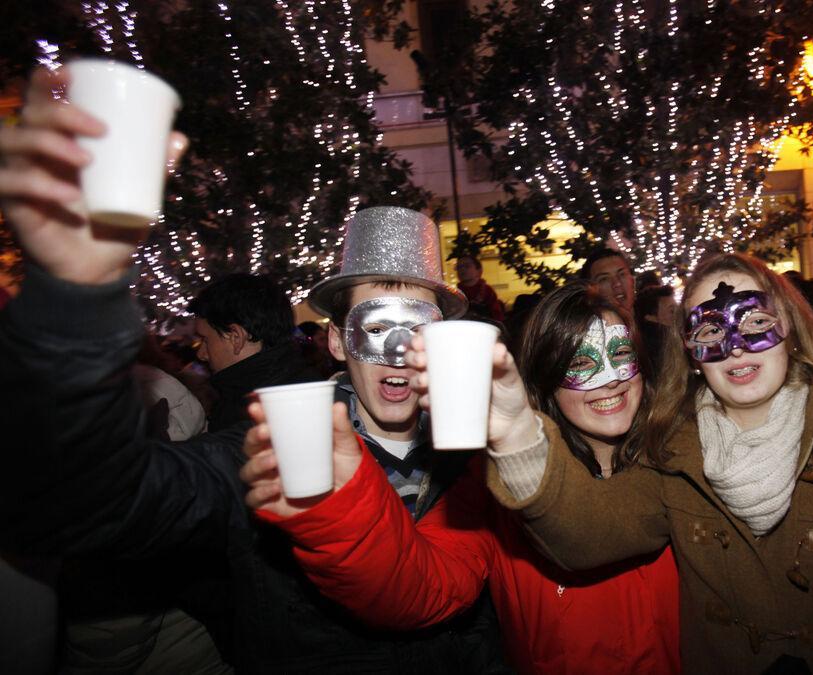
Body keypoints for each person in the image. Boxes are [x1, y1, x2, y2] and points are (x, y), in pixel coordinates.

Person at [0, 67, 507, 673]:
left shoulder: (475, 457)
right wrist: (74, 300)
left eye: (418, 328)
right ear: (337, 343)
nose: (398, 350)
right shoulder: (269, 451)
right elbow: (78, 504)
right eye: (376, 326)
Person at [411, 251, 813, 673]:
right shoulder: (673, 456)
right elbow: (590, 534)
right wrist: (516, 437)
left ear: (790, 329)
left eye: (755, 320)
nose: (736, 345)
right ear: (689, 353)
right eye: (709, 330)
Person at [239, 282, 681, 674]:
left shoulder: (682, 466)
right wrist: (337, 514)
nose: (609, 381)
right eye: (581, 363)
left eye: (621, 355)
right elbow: (420, 587)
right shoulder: (488, 486)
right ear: (545, 380)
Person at [189, 272, 321, 431]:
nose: (201, 354)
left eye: (205, 340)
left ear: (236, 337)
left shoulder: (257, 411)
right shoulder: (295, 380)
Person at [633, 284, 676, 375]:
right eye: (672, 311)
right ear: (651, 317)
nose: (678, 314)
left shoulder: (641, 344)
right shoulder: (667, 346)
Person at [455, 254, 506, 322]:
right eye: (459, 267)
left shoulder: (487, 291)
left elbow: (497, 315)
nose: (462, 269)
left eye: (467, 266)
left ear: (479, 271)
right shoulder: (455, 294)